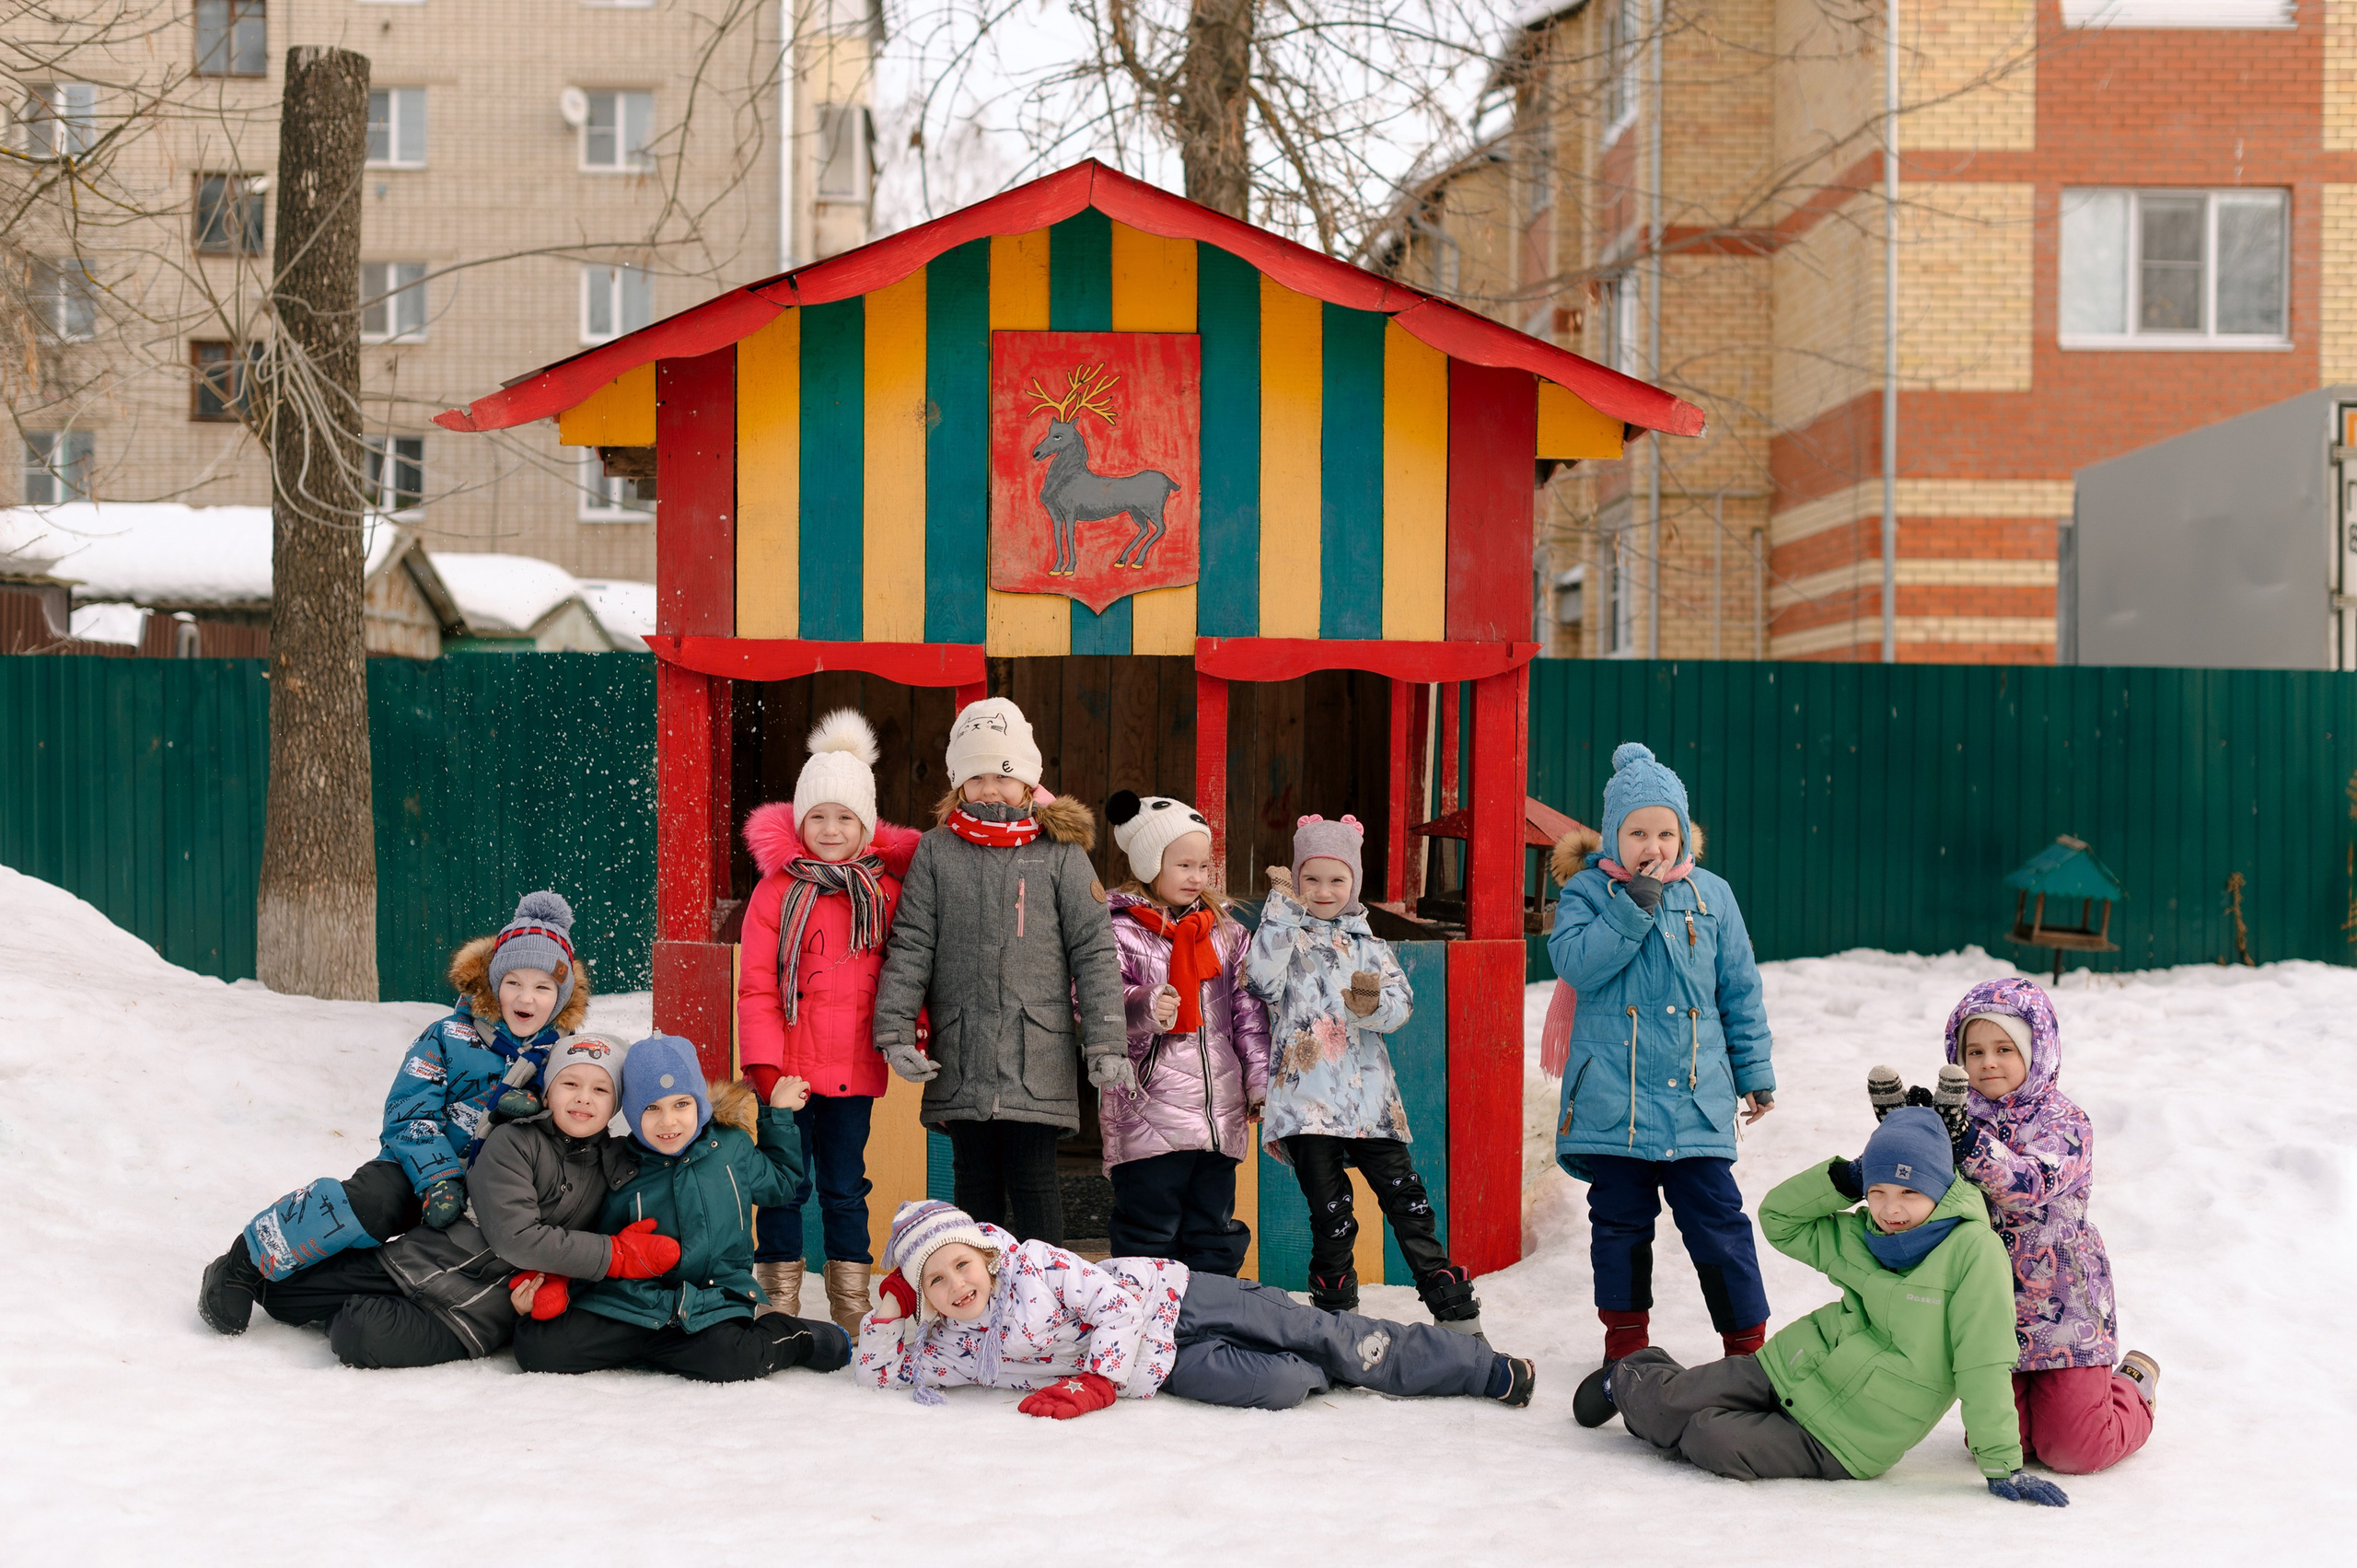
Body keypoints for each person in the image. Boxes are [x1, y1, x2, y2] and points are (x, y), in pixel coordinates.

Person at [1573, 1109, 2070, 1507]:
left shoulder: (1972, 1252)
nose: (1891, 1210)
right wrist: (1846, 1179)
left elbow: (1983, 1361)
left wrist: (2002, 1464)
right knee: (1672, 1407)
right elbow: (1779, 1219)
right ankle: (1629, 1377)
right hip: (1787, 1369)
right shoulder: (1864, 1233)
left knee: (1707, 1437)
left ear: (1940, 1189)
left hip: (1844, 1436)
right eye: (1878, 1192)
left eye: (1909, 1193)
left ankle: (1663, 1391)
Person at [198, 892, 589, 1334]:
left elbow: (571, 1124)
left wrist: (532, 1113)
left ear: (560, 997)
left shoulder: (561, 1057)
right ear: (492, 981)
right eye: (513, 982)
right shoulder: (448, 1036)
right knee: (373, 1202)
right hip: (417, 1167)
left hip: (492, 1191)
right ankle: (242, 1263)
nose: (526, 997)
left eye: (542, 988)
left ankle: (315, 1288)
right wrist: (438, 1178)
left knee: (420, 1257)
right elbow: (409, 1111)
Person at [852, 1200, 1535, 1414]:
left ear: (986, 1255)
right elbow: (879, 1371)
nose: (955, 1286)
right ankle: (1323, 1364)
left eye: (960, 1265)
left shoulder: (1033, 1264)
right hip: (1168, 1364)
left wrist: (1094, 1379)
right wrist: (890, 1308)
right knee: (1283, 1382)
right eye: (934, 1282)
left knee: (1322, 1333)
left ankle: (1477, 1367)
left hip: (1179, 1298)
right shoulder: (953, 1345)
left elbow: (1115, 1304)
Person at [1546, 741, 1776, 1364]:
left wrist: (1755, 1073)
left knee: (1719, 1222)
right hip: (1612, 1102)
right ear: (1613, 838)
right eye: (1638, 831)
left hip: (1694, 1100)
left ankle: (1747, 1350)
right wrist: (1632, 908)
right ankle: (1625, 1346)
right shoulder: (1590, 894)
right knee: (1619, 1225)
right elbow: (1576, 963)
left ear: (1684, 835)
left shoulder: (1713, 895)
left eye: (1666, 831)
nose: (1654, 844)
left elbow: (1739, 990)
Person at [251, 1033, 673, 1367]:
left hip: (469, 1315)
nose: (583, 1097)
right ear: (547, 1093)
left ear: (616, 1104)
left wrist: (556, 1284)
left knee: (359, 1333)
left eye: (600, 1089)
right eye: (570, 1083)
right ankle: (258, 1269)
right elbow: (516, 1238)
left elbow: (584, 1244)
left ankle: (357, 1316)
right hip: (413, 1263)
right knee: (280, 1294)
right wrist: (613, 1253)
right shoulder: (515, 1140)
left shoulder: (613, 1167)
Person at [872, 697, 1125, 1246]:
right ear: (958, 785)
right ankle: (978, 1305)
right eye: (977, 776)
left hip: (1038, 1052)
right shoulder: (937, 853)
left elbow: (1095, 951)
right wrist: (893, 1032)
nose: (991, 789)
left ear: (1030, 783)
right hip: (961, 1051)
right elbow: (911, 943)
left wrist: (1107, 1042)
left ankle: (1046, 1300)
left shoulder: (1059, 853)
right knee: (974, 1185)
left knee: (1034, 1181)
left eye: (1004, 775)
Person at [1898, 978, 2157, 1473]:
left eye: (2004, 1048)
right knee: (1999, 1445)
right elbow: (1920, 1191)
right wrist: (1906, 1129)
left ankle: (2132, 1387)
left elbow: (2029, 1184)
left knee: (2076, 1449)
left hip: (2064, 1305)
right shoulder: (1955, 1117)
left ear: (2037, 1051)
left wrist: (1966, 1140)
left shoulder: (2064, 1121)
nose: (1987, 1062)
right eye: (1973, 1051)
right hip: (1990, 1307)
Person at [1246, 814, 1482, 1336]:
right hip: (1306, 1104)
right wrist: (1283, 909)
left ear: (1354, 882)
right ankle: (1337, 1319)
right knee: (1334, 1217)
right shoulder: (1286, 937)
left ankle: (1455, 1312)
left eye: (1336, 879)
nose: (1324, 891)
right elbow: (1260, 980)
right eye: (1311, 879)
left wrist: (1371, 1008)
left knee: (1409, 1201)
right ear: (1295, 880)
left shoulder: (1369, 944)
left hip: (1371, 1104)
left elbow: (1400, 1007)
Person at [510, 1034, 852, 1383]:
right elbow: (587, 1232)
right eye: (652, 1108)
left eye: (681, 1105)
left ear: (699, 1104)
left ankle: (795, 1336)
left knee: (733, 1359)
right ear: (631, 1111)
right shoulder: (616, 1162)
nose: (668, 1122)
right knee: (539, 1349)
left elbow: (781, 1185)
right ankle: (662, 1350)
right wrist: (554, 1287)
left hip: (711, 1301)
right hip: (631, 1303)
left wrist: (777, 1116)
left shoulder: (730, 1148)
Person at [736, 708, 924, 1334]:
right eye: (818, 816)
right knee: (786, 1186)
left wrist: (915, 1027)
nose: (831, 828)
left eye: (846, 817)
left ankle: (851, 1302)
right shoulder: (775, 892)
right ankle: (778, 1300)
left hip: (853, 1071)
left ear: (866, 823)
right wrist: (766, 1072)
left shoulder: (887, 893)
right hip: (789, 1076)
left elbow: (910, 971)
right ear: (799, 820)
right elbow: (758, 987)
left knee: (846, 1187)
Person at [1100, 790, 1270, 1273]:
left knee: (1212, 1228)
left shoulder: (1226, 932)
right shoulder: (1118, 930)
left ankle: (1208, 1325)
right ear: (1150, 864)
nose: (1196, 877)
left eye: (1203, 866)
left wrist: (1257, 1083)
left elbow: (1248, 1015)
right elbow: (1092, 1000)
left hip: (1219, 1112)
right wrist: (1148, 1003)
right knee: (1149, 1226)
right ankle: (1147, 1325)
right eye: (1183, 866)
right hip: (1148, 1108)